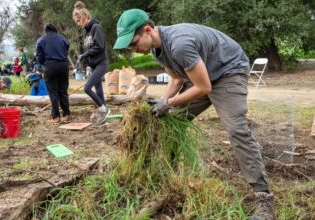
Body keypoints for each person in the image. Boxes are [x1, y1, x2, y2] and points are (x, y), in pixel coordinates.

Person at [114, 9, 274, 219]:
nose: (134, 49)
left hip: (228, 72)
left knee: (236, 129)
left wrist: (169, 102)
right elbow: (176, 80)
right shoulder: (155, 49)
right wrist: (164, 103)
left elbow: (204, 87)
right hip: (202, 76)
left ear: (147, 30)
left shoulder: (179, 44)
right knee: (170, 122)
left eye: (133, 43)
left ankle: (264, 198)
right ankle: (169, 179)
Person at [73, 1, 110, 125]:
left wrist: (85, 55)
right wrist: (85, 60)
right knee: (98, 89)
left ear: (84, 17)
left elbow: (99, 47)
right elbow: (89, 49)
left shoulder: (96, 28)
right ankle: (104, 113)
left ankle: (103, 109)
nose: (77, 24)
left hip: (102, 63)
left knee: (87, 88)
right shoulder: (85, 32)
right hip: (94, 65)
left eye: (78, 21)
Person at [35, 23, 71, 124]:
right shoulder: (62, 38)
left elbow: (38, 56)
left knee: (53, 92)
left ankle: (55, 117)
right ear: (55, 30)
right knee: (63, 91)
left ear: (45, 31)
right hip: (63, 65)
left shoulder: (41, 40)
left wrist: (44, 64)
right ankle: (66, 114)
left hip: (50, 66)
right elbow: (66, 50)